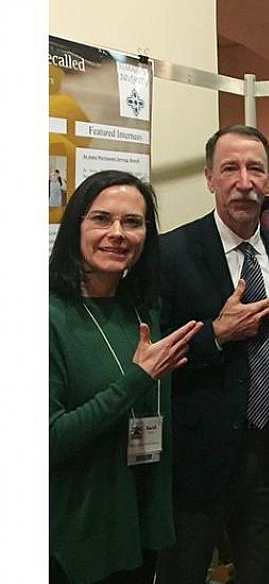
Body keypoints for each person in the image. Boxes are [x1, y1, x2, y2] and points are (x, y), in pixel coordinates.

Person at [155, 125, 269, 584]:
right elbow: (151, 350)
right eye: (230, 168)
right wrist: (216, 334)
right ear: (209, 178)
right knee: (183, 571)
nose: (244, 181)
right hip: (197, 454)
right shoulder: (171, 253)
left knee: (262, 571)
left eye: (255, 168)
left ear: (268, 178)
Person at [49, 170, 202, 584]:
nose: (117, 233)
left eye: (132, 222)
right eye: (101, 219)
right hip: (75, 536)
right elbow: (48, 441)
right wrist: (137, 378)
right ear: (75, 227)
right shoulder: (46, 316)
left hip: (139, 525)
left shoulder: (141, 309)